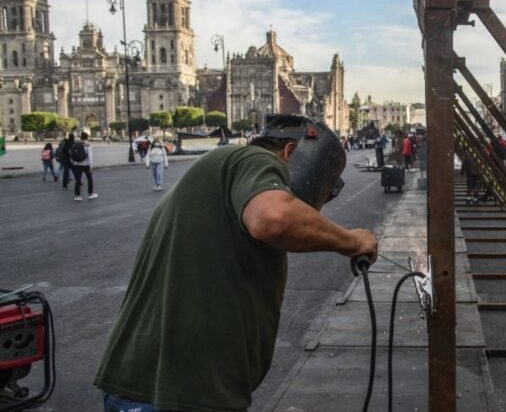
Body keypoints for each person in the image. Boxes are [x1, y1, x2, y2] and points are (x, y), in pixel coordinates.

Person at [94, 115, 378, 411]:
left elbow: (283, 228)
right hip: (178, 394)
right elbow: (274, 218)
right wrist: (351, 241)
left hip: (170, 390)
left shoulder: (226, 177)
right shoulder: (253, 159)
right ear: (290, 151)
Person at [71, 132, 97, 201]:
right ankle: (90, 194)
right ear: (87, 137)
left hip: (77, 164)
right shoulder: (87, 145)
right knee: (89, 179)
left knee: (78, 180)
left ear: (80, 137)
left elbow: (73, 154)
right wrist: (91, 166)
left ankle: (77, 196)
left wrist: (75, 162)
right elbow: (90, 156)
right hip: (86, 164)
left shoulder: (77, 144)